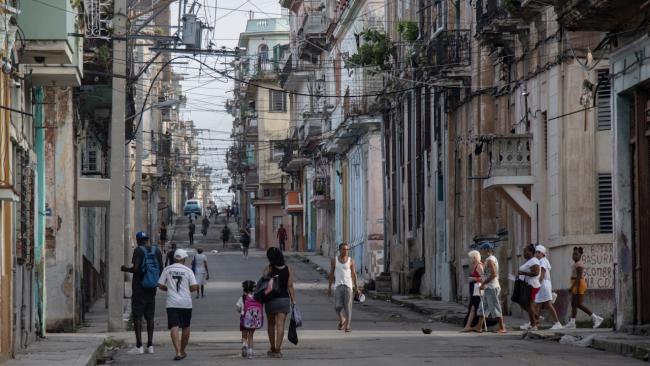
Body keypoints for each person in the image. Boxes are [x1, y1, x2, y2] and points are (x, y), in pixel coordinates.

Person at [120, 231, 163, 354]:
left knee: (137, 316)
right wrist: (153, 280)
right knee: (150, 317)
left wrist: (125, 269)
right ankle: (150, 346)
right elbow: (161, 268)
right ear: (147, 239)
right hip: (152, 288)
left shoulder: (138, 251)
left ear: (138, 240)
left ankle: (139, 346)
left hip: (139, 288)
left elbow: (136, 269)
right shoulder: (156, 251)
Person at [157, 249, 198, 361]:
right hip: (185, 303)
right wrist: (186, 290)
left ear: (174, 258)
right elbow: (194, 287)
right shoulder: (188, 270)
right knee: (186, 326)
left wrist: (169, 289)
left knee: (174, 326)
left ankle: (178, 351)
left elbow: (160, 285)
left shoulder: (167, 269)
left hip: (172, 303)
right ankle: (183, 350)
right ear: (184, 259)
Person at [263, 247, 296, 358]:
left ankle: (272, 347)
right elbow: (290, 285)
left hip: (271, 300)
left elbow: (263, 283)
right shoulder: (288, 269)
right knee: (280, 325)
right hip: (284, 299)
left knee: (271, 324)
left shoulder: (269, 269)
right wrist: (293, 299)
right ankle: (278, 349)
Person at [565, 246, 604, 329]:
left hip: (578, 284)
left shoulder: (579, 264)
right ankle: (572, 323)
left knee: (578, 304)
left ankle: (596, 318)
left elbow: (579, 277)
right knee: (573, 304)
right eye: (573, 254)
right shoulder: (576, 263)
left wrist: (573, 287)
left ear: (580, 255)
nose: (574, 256)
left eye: (576, 254)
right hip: (576, 283)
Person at [327, 243, 361, 333]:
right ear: (340, 250)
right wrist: (329, 287)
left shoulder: (351, 260)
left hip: (348, 286)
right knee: (337, 306)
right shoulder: (334, 260)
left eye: (347, 249)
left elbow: (354, 274)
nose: (346, 251)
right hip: (338, 286)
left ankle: (348, 325)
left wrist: (356, 287)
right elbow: (331, 274)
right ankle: (342, 319)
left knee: (348, 307)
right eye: (344, 249)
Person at [474, 241, 507, 333]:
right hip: (489, 287)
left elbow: (493, 274)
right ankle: (479, 327)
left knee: (495, 307)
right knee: (483, 307)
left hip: (492, 287)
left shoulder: (490, 260)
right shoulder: (490, 259)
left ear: (486, 250)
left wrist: (483, 284)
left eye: (482, 249)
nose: (480, 251)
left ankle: (502, 327)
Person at [533, 245, 563, 330]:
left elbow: (542, 275)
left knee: (548, 304)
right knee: (538, 304)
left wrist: (536, 285)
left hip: (543, 285)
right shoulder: (542, 261)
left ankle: (557, 323)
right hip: (543, 284)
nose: (537, 254)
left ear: (543, 254)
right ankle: (535, 324)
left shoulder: (542, 261)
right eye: (536, 252)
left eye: (539, 252)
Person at [236, 280, 264, 359]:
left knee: (244, 336)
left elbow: (238, 307)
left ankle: (244, 345)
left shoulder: (243, 298)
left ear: (244, 289)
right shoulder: (257, 297)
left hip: (244, 320)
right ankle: (250, 351)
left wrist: (240, 311)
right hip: (254, 321)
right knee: (251, 336)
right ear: (253, 289)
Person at [518, 244, 541, 331]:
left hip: (532, 285)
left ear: (531, 252)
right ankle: (535, 319)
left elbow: (536, 273)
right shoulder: (530, 260)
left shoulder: (534, 261)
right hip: (528, 285)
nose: (524, 253)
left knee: (529, 305)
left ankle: (534, 324)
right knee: (526, 304)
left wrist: (523, 273)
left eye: (525, 251)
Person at [461, 250, 483, 332]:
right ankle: (468, 326)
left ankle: (469, 326)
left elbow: (483, 279)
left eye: (471, 258)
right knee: (473, 308)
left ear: (474, 258)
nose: (470, 260)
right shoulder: (475, 266)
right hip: (474, 290)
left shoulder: (479, 266)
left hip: (477, 290)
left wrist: (473, 279)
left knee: (475, 308)